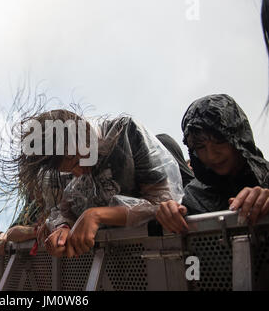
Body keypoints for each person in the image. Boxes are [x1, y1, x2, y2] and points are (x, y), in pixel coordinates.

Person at [18, 109, 183, 258]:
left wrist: (96, 215)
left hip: (157, 251)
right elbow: (65, 211)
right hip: (107, 258)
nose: (78, 173)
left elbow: (161, 202)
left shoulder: (124, 133)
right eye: (68, 170)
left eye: (78, 161)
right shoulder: (65, 167)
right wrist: (63, 228)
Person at [156, 94, 269, 233]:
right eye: (200, 147)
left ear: (238, 138)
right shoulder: (192, 196)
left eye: (219, 141)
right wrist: (168, 213)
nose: (211, 155)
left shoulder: (266, 177)